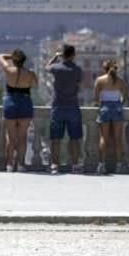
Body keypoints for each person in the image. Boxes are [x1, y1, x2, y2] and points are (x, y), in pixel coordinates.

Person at [0, 49, 38, 172]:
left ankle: (9, 164)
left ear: (15, 60)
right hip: (25, 103)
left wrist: (12, 57)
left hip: (10, 103)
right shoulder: (30, 74)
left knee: (11, 137)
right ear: (24, 60)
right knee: (22, 137)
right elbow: (35, 85)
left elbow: (1, 56)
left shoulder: (9, 70)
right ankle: (21, 164)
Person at [46, 44, 83, 174]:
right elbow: (79, 83)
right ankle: (75, 165)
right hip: (73, 106)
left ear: (63, 54)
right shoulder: (78, 70)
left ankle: (54, 165)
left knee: (56, 139)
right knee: (74, 138)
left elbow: (47, 67)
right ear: (73, 55)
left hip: (58, 107)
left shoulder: (56, 68)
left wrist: (55, 57)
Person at [93, 59, 129, 174]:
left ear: (104, 69)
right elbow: (125, 97)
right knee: (118, 139)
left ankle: (101, 165)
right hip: (117, 109)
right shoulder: (121, 81)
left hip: (104, 109)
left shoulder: (100, 80)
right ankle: (119, 165)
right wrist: (119, 104)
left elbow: (95, 99)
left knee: (103, 138)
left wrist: (100, 104)